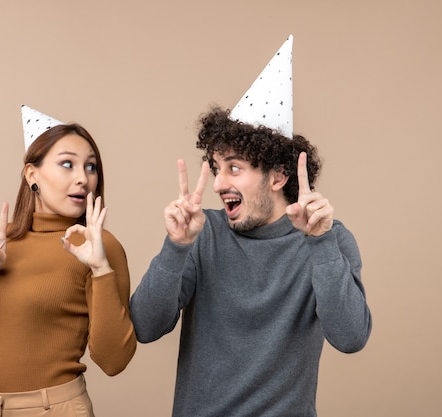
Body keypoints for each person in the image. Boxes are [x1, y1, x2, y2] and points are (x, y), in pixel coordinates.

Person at [129, 36, 372, 417]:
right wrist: (175, 247)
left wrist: (321, 244)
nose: (220, 182)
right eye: (217, 167)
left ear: (277, 176)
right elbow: (145, 327)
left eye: (235, 167)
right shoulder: (202, 233)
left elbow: (351, 337)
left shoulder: (328, 239)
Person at [0, 106, 136, 417]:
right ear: (32, 175)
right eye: (67, 164)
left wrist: (100, 268)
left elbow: (114, 361)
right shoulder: (5, 243)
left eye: (91, 167)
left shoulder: (98, 246)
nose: (83, 178)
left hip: (53, 409)